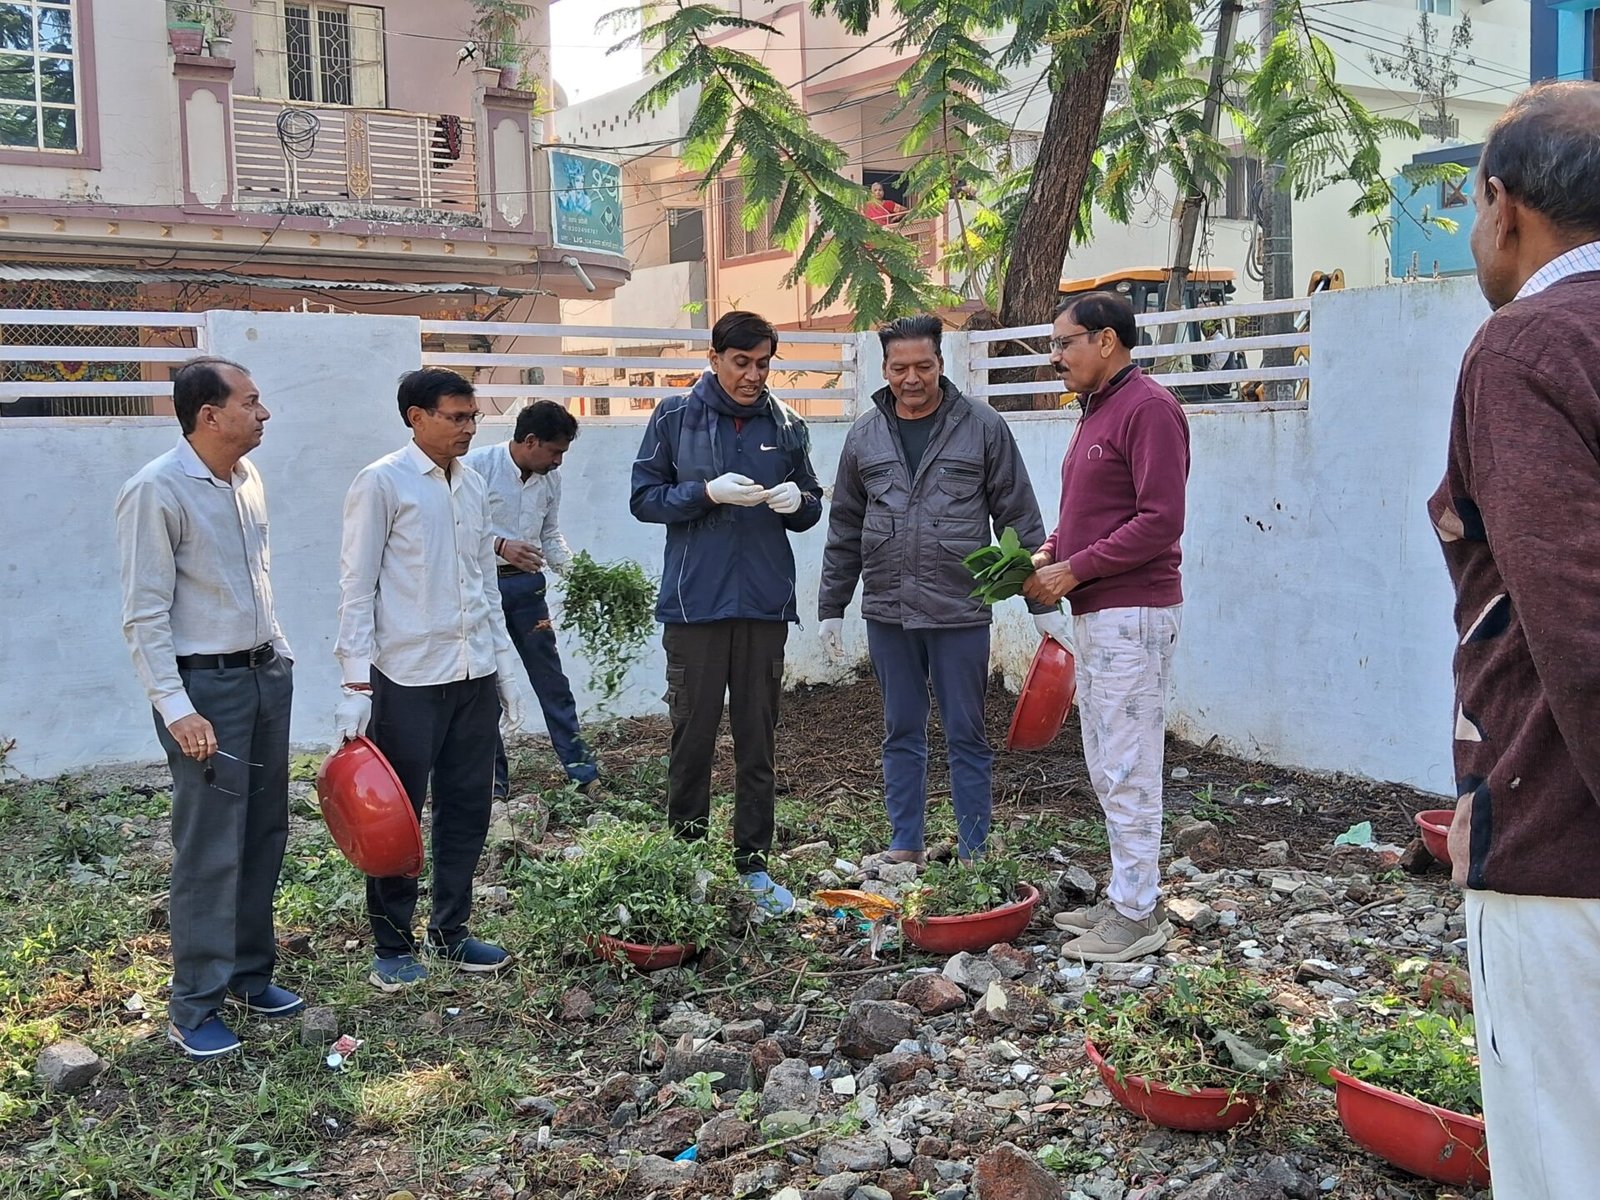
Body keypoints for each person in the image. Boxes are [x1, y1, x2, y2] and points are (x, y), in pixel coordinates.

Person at [1429, 80, 1600, 1200]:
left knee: (1563, 1157)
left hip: (1561, 847)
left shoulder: (1526, 347)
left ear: (1500, 203)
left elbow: (1577, 627)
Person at [819, 314, 1066, 865]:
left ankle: (975, 850)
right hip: (889, 612)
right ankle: (905, 844)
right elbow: (845, 526)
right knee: (901, 730)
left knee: (966, 733)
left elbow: (1020, 516)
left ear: (941, 364)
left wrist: (1040, 603)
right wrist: (832, 606)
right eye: (900, 368)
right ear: (883, 369)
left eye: (923, 366)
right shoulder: (864, 434)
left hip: (959, 611)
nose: (912, 379)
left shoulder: (982, 427)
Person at [115, 357, 300, 1058]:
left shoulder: (246, 480)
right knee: (210, 848)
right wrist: (175, 706)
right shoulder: (157, 491)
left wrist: (278, 654)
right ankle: (193, 1007)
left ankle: (250, 978)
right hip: (206, 691)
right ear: (209, 415)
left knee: (263, 833)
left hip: (262, 677)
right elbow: (144, 613)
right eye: (251, 401)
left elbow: (255, 580)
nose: (264, 412)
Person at [334, 368, 527, 990]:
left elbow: (483, 583)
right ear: (416, 417)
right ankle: (392, 945)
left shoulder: (470, 485)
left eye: (473, 418)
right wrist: (355, 685)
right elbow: (356, 587)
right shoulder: (382, 483)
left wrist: (502, 669)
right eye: (456, 417)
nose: (469, 429)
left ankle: (451, 930)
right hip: (408, 677)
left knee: (468, 805)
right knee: (398, 815)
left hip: (471, 673)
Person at [630, 310, 823, 916]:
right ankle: (686, 862)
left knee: (757, 739)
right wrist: (704, 493)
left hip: (764, 605)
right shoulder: (674, 417)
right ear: (714, 358)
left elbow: (811, 503)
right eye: (742, 362)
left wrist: (800, 504)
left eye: (764, 363)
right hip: (695, 607)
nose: (753, 375)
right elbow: (643, 498)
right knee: (692, 737)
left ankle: (754, 866)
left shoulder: (787, 425)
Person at [1023, 291, 1190, 964]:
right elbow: (1090, 511)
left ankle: (1137, 914)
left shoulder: (1148, 408)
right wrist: (1049, 552)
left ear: (1107, 342)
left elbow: (1159, 520)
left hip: (1133, 609)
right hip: (1100, 608)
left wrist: (1074, 568)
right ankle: (1126, 896)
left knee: (1128, 763)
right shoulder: (1098, 409)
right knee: (1106, 759)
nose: (1055, 357)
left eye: (1064, 343)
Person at [463, 401, 601, 801]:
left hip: (528, 591)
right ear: (530, 441)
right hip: (481, 591)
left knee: (552, 680)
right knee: (485, 687)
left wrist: (582, 575)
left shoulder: (548, 479)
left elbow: (550, 536)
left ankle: (582, 772)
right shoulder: (475, 468)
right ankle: (493, 785)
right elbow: (454, 533)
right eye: (555, 452)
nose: (558, 461)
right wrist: (500, 546)